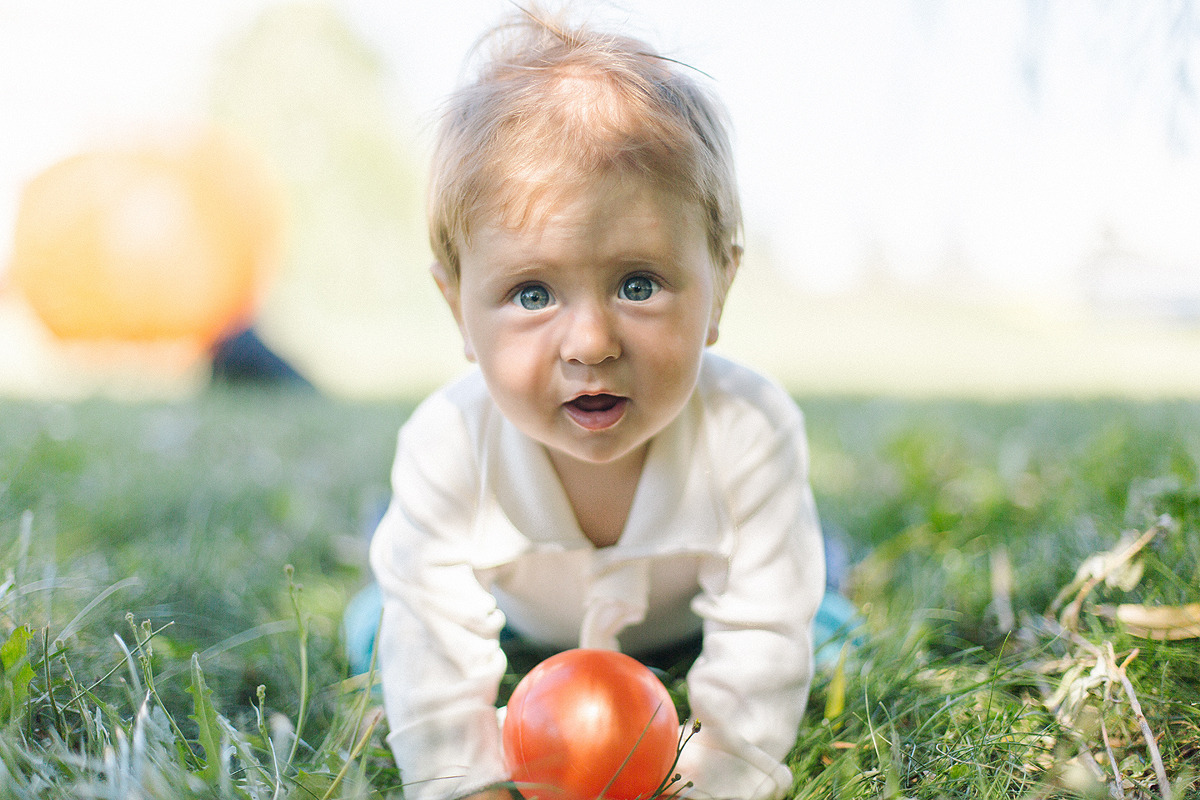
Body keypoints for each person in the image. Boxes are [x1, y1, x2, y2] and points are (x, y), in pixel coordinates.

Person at [365, 8, 847, 799]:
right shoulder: (449, 442)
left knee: (809, 635)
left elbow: (758, 635)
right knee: (392, 635)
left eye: (638, 285)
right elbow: (436, 651)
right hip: (525, 624)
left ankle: (824, 602)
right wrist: (464, 779)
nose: (590, 342)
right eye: (531, 292)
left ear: (720, 285)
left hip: (687, 624)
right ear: (457, 309)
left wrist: (721, 773)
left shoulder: (749, 430)